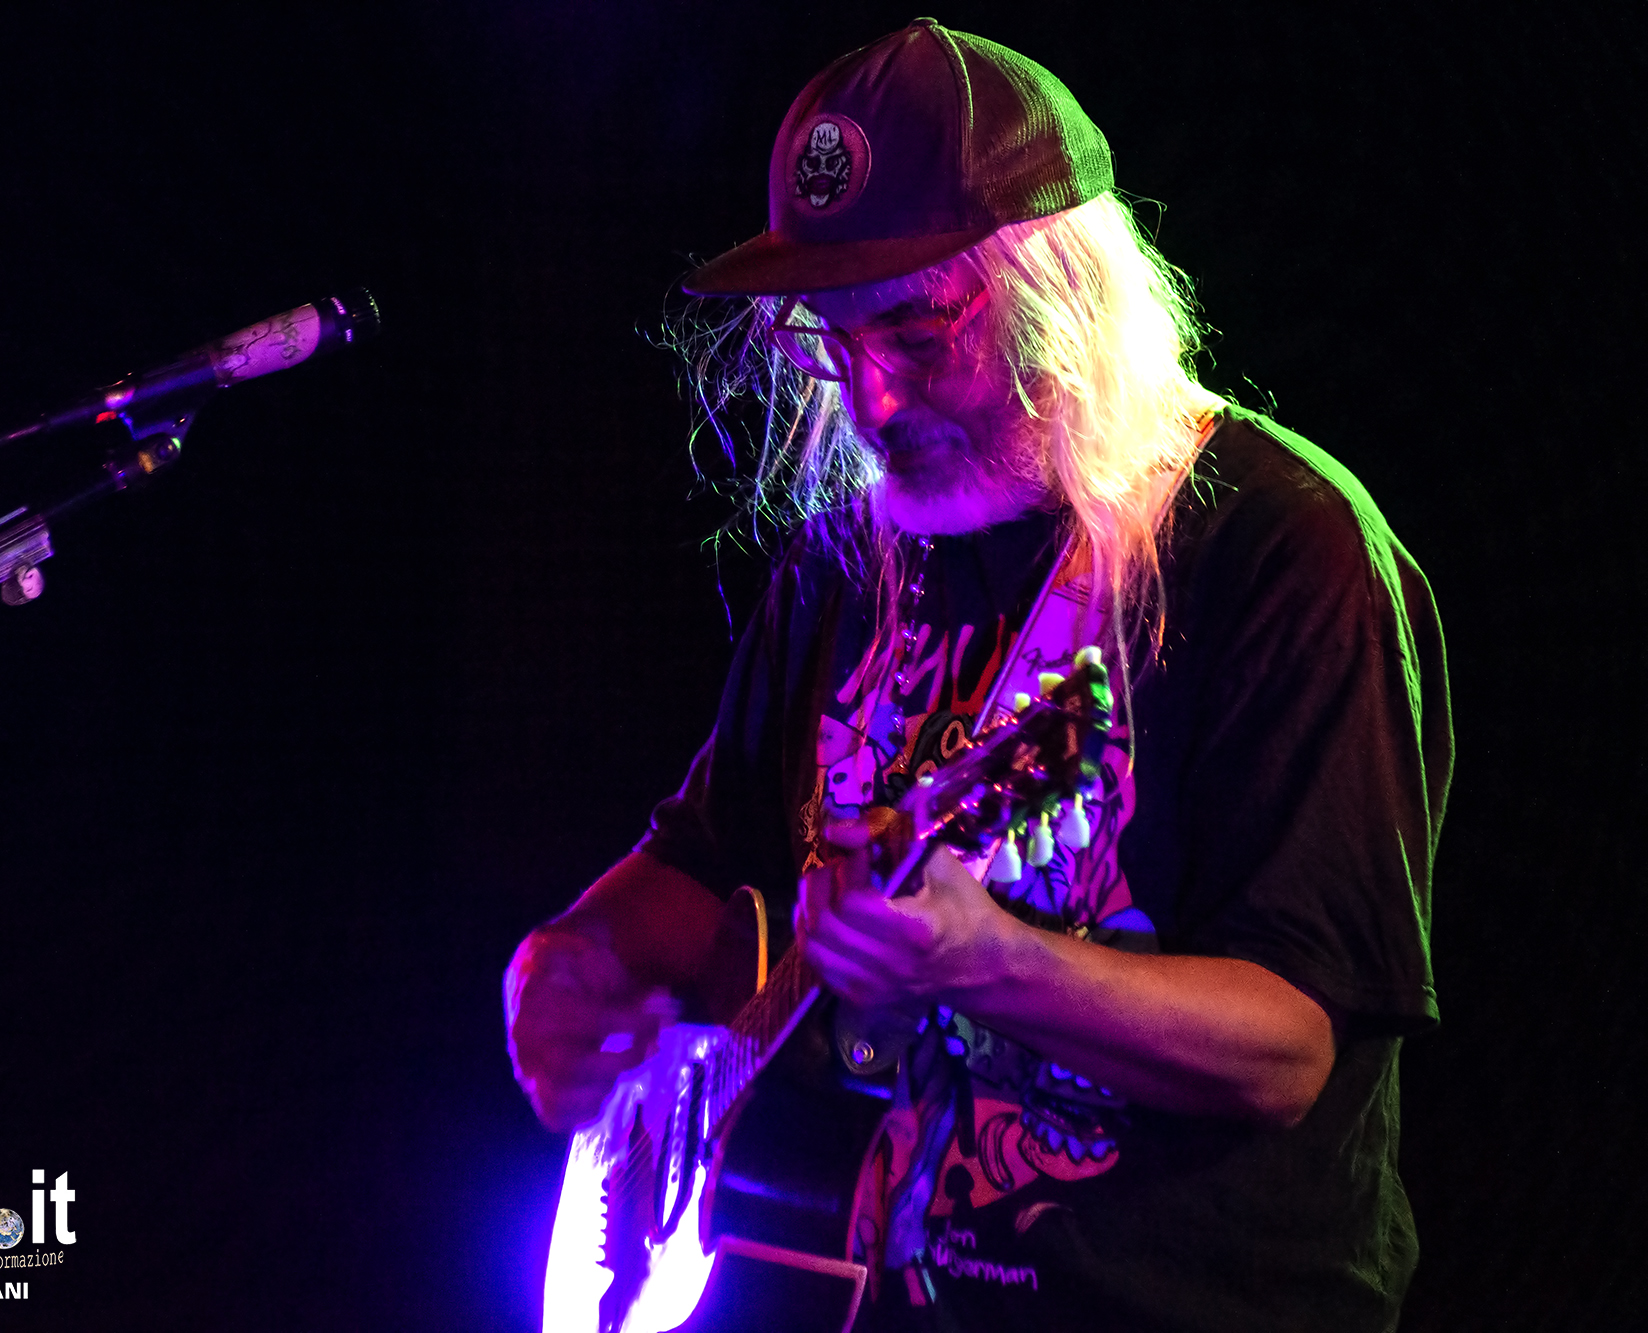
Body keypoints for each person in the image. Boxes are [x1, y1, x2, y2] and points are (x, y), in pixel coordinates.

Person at [504, 20, 1450, 1332]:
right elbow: (706, 856)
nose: (872, 402)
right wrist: (569, 962)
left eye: (916, 332)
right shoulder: (848, 558)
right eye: (832, 340)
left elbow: (1290, 1049)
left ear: (1062, 292)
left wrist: (990, 964)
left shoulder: (1279, 549)